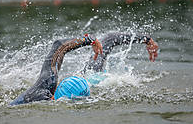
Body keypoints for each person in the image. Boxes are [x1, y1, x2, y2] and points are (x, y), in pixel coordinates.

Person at [9, 32, 158, 105]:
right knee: (103, 49)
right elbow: (58, 44)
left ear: (60, 85)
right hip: (92, 81)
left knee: (103, 48)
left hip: (91, 80)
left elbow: (59, 45)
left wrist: (89, 39)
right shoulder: (42, 90)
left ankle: (146, 39)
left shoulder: (47, 83)